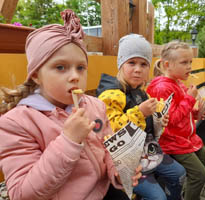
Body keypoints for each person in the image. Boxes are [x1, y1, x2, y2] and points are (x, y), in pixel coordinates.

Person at [0, 10, 141, 200]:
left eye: (80, 67)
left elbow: (108, 147)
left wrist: (117, 169)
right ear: (35, 75)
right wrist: (69, 140)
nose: (75, 76)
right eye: (60, 67)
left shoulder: (95, 106)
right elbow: (22, 193)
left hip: (103, 191)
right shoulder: (17, 123)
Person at [96, 34, 186, 200]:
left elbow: (150, 124)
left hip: (148, 152)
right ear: (121, 64)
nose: (138, 69)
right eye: (132, 62)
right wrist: (140, 112)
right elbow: (112, 130)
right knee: (158, 197)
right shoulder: (112, 93)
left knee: (179, 173)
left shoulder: (141, 92)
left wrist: (160, 121)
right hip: (126, 162)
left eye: (143, 64)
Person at [146, 41, 205, 200]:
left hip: (186, 138)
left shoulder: (178, 83)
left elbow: (182, 114)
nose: (189, 66)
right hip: (172, 141)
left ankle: (186, 191)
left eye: (190, 62)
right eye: (184, 62)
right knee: (199, 175)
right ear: (168, 65)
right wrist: (189, 98)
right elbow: (171, 120)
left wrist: (197, 113)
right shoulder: (162, 88)